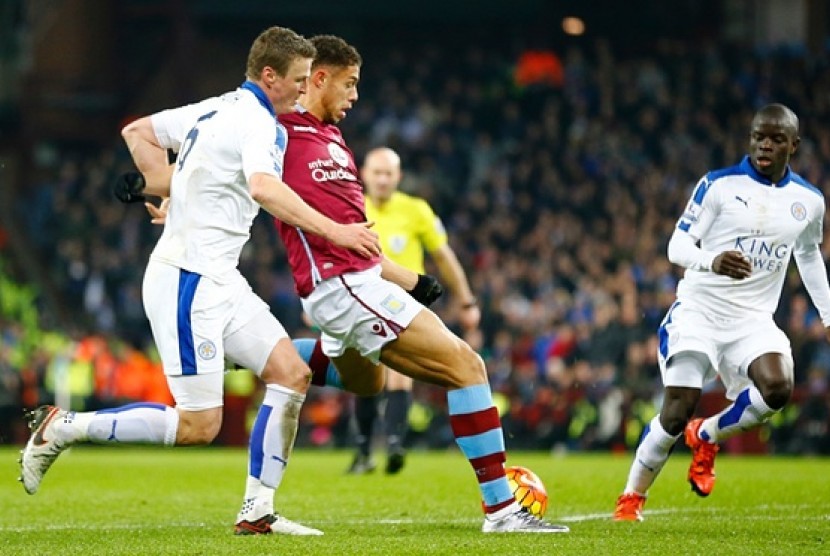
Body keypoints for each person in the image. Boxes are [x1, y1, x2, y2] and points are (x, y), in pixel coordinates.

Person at [18, 26, 381, 537]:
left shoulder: (215, 108)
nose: (305, 90)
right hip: (188, 279)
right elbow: (263, 187)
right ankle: (66, 427)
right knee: (198, 427)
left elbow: (137, 134)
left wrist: (177, 194)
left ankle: (258, 511)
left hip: (219, 278)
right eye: (299, 80)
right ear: (270, 76)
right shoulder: (261, 125)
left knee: (289, 373)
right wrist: (336, 231)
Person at [274, 34, 568, 533]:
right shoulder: (278, 133)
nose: (355, 96)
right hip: (346, 287)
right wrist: (171, 190)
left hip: (355, 286)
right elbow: (233, 173)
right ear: (318, 78)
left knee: (364, 381)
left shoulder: (332, 140)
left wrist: (410, 277)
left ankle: (262, 350)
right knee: (466, 366)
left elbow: (357, 236)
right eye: (350, 84)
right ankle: (501, 509)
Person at [613, 103, 830, 522]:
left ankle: (707, 435)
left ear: (794, 145)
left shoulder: (808, 201)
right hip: (698, 312)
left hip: (752, 320)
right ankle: (631, 497)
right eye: (758, 137)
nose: (765, 145)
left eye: (776, 139)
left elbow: (809, 256)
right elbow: (675, 247)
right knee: (677, 408)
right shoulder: (717, 185)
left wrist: (828, 315)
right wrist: (712, 260)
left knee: (778, 389)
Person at [346, 146, 481, 475]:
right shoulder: (351, 207)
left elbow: (444, 256)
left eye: (388, 173)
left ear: (399, 177)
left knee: (399, 376)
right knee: (366, 377)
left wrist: (466, 299)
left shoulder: (416, 210)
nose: (381, 179)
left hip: (404, 302)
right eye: (376, 172)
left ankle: (393, 444)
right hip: (362, 300)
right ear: (364, 174)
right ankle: (365, 450)